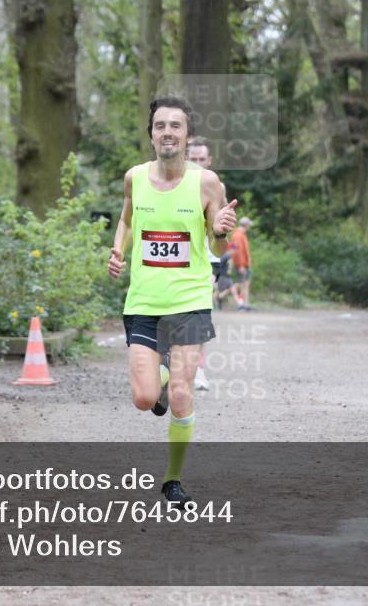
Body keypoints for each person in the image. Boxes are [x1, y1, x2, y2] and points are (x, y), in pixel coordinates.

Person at [108, 96, 236, 507]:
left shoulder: (206, 183)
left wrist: (219, 229)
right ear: (151, 135)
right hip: (143, 300)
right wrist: (117, 250)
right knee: (145, 398)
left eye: (175, 126)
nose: (168, 132)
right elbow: (127, 218)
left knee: (183, 393)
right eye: (160, 125)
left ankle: (172, 480)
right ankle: (158, 383)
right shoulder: (135, 178)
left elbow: (219, 239)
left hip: (189, 299)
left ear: (186, 135)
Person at [186, 136, 225, 391]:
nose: (198, 163)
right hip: (179, 260)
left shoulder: (215, 186)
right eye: (193, 158)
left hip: (208, 260)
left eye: (202, 159)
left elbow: (221, 229)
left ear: (209, 161)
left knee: (201, 309)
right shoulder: (170, 184)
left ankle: (198, 369)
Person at [231, 216, 253, 310]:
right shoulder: (238, 235)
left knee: (245, 284)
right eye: (249, 225)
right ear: (246, 225)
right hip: (242, 265)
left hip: (245, 264)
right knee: (242, 285)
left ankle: (245, 304)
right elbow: (238, 252)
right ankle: (241, 304)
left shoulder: (241, 234)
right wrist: (241, 265)